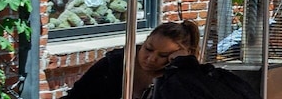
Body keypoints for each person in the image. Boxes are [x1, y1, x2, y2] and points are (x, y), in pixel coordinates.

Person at [61, 21, 202, 99]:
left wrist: (183, 65)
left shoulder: (182, 79)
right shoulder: (114, 64)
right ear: (145, 41)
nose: (151, 58)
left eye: (163, 56)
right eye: (148, 49)